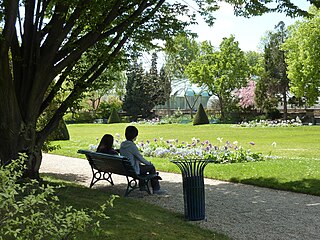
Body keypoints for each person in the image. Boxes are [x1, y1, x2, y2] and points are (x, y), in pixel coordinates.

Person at [120, 126, 166, 195]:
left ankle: (143, 186)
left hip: (127, 169)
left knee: (142, 167)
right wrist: (149, 163)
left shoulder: (123, 144)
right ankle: (156, 189)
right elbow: (140, 158)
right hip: (133, 169)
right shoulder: (132, 146)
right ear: (134, 135)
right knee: (151, 167)